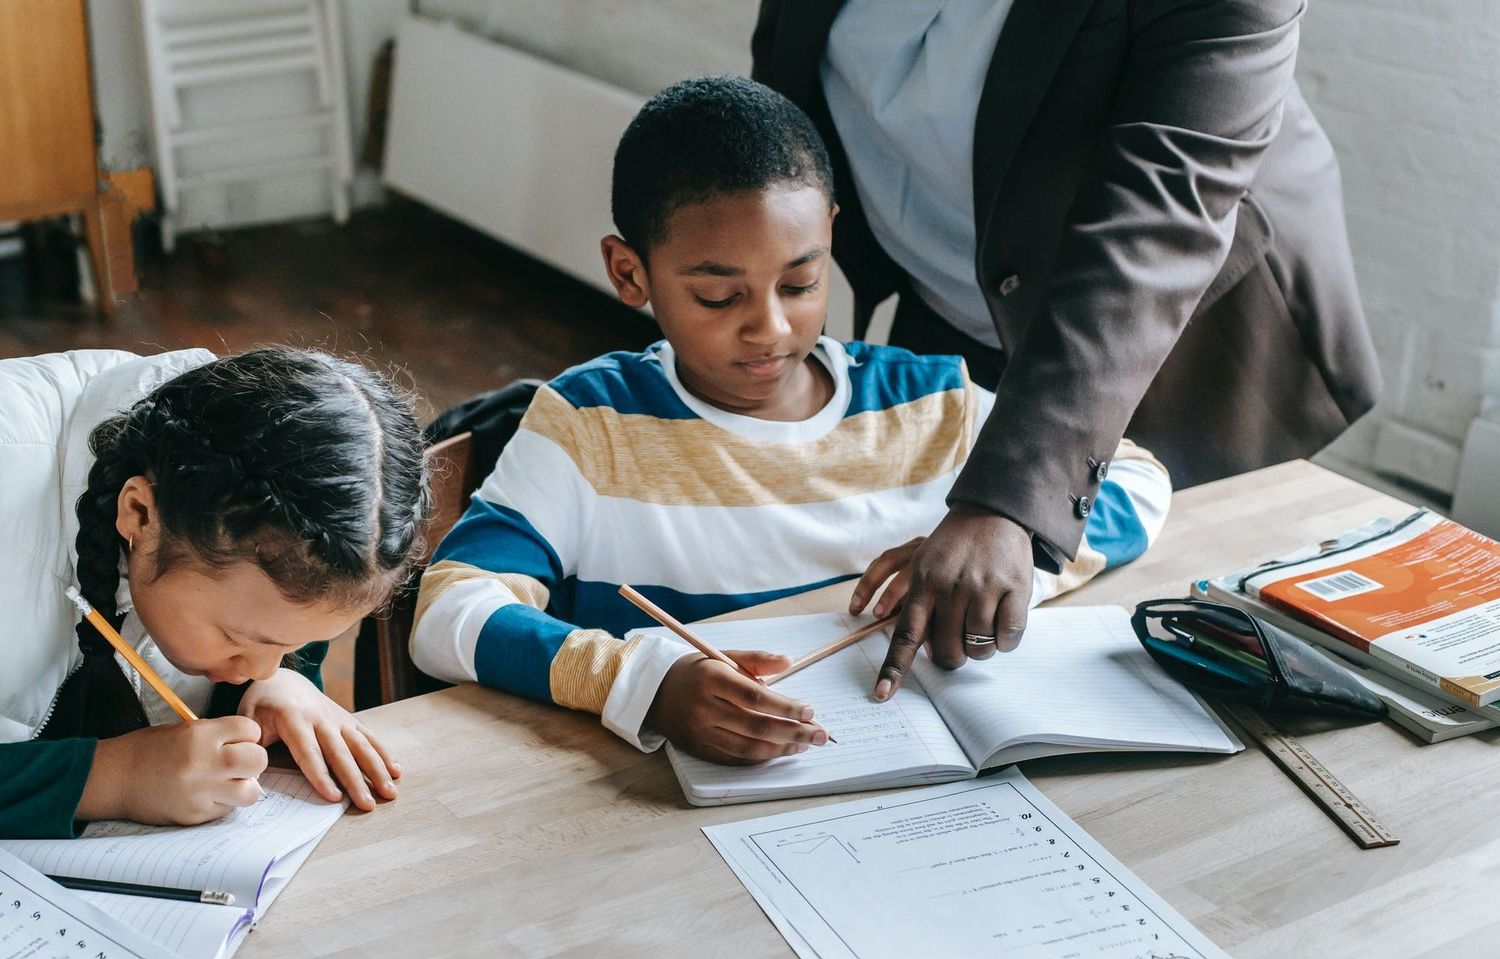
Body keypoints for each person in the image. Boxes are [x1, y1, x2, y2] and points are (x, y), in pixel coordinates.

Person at [410, 75, 1171, 765]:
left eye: (801, 281)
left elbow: (1137, 479)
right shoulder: (591, 426)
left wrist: (1003, 557)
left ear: (831, 235)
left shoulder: (927, 400)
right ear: (629, 271)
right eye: (718, 296)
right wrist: (644, 681)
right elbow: (451, 607)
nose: (770, 327)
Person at [751, 0, 1382, 698]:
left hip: (1182, 345)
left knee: (1162, 664)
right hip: (949, 299)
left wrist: (1010, 503)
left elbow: (1153, 230)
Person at [0, 345, 429, 837]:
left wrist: (273, 688)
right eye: (240, 638)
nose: (265, 665)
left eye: (292, 645)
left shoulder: (286, 529)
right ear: (138, 514)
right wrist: (109, 778)